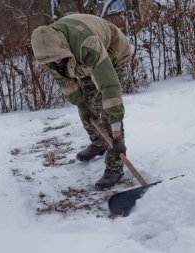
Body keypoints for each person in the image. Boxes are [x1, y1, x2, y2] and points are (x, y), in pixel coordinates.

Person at [31, 13, 130, 189]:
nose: (57, 61)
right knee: (88, 105)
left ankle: (115, 164)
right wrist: (81, 104)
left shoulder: (86, 43)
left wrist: (115, 133)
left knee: (107, 108)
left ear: (62, 45)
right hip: (81, 62)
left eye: (58, 56)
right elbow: (66, 82)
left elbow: (110, 88)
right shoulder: (48, 54)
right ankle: (99, 142)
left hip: (112, 53)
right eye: (52, 60)